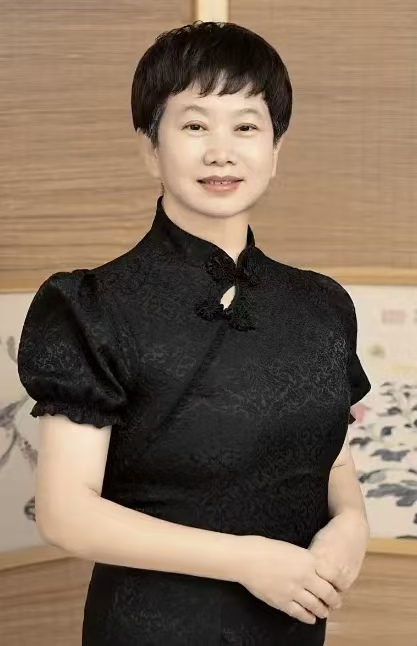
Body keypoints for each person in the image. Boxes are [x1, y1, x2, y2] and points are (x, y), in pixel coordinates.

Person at [17, 20, 372, 646]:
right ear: (150, 148)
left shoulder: (322, 303)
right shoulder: (91, 304)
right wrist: (247, 560)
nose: (221, 152)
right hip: (154, 626)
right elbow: (66, 513)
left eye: (246, 126)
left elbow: (332, 454)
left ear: (276, 149)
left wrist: (351, 523)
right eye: (194, 125)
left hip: (292, 624)